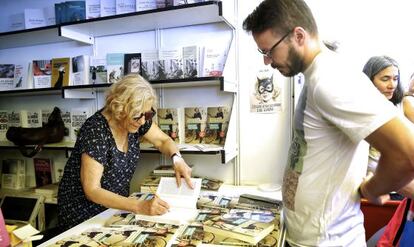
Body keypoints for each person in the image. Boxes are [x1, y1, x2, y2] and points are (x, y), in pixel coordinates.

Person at [243, 0, 414, 246]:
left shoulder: (331, 80)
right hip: (308, 236)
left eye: (269, 51)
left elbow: (407, 154)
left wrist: (372, 189)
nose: (267, 61)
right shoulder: (317, 76)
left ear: (298, 36)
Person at [58, 74, 193, 231]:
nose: (143, 121)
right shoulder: (95, 130)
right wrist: (139, 206)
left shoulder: (137, 119)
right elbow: (92, 190)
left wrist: (177, 159)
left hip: (115, 209)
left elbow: (163, 141)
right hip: (83, 214)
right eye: (138, 116)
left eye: (148, 114)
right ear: (119, 109)